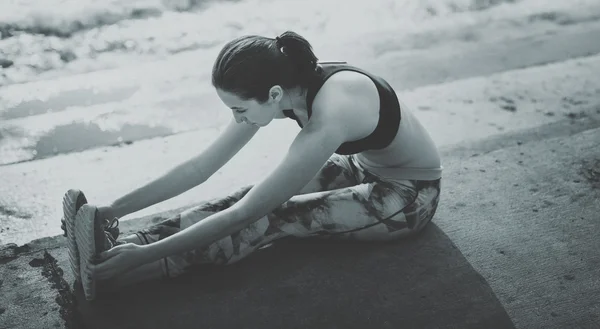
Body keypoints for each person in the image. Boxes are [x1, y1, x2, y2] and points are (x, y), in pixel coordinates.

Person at [61, 31, 443, 301]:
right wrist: (112, 211)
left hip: (408, 195)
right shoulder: (285, 83)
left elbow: (243, 216)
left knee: (271, 215)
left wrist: (147, 259)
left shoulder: (329, 116)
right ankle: (121, 244)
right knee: (246, 196)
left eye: (239, 110)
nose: (237, 119)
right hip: (360, 167)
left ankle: (127, 273)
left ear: (273, 95)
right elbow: (200, 168)